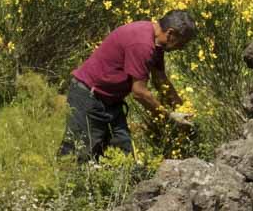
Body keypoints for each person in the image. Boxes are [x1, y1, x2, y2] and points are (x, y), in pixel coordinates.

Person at [59, 9, 197, 162]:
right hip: (88, 98)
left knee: (125, 159)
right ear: (171, 33)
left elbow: (160, 79)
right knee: (76, 156)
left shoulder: (155, 41)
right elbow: (139, 93)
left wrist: (181, 108)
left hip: (110, 103)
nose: (180, 48)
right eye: (182, 43)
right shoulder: (143, 44)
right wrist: (169, 116)